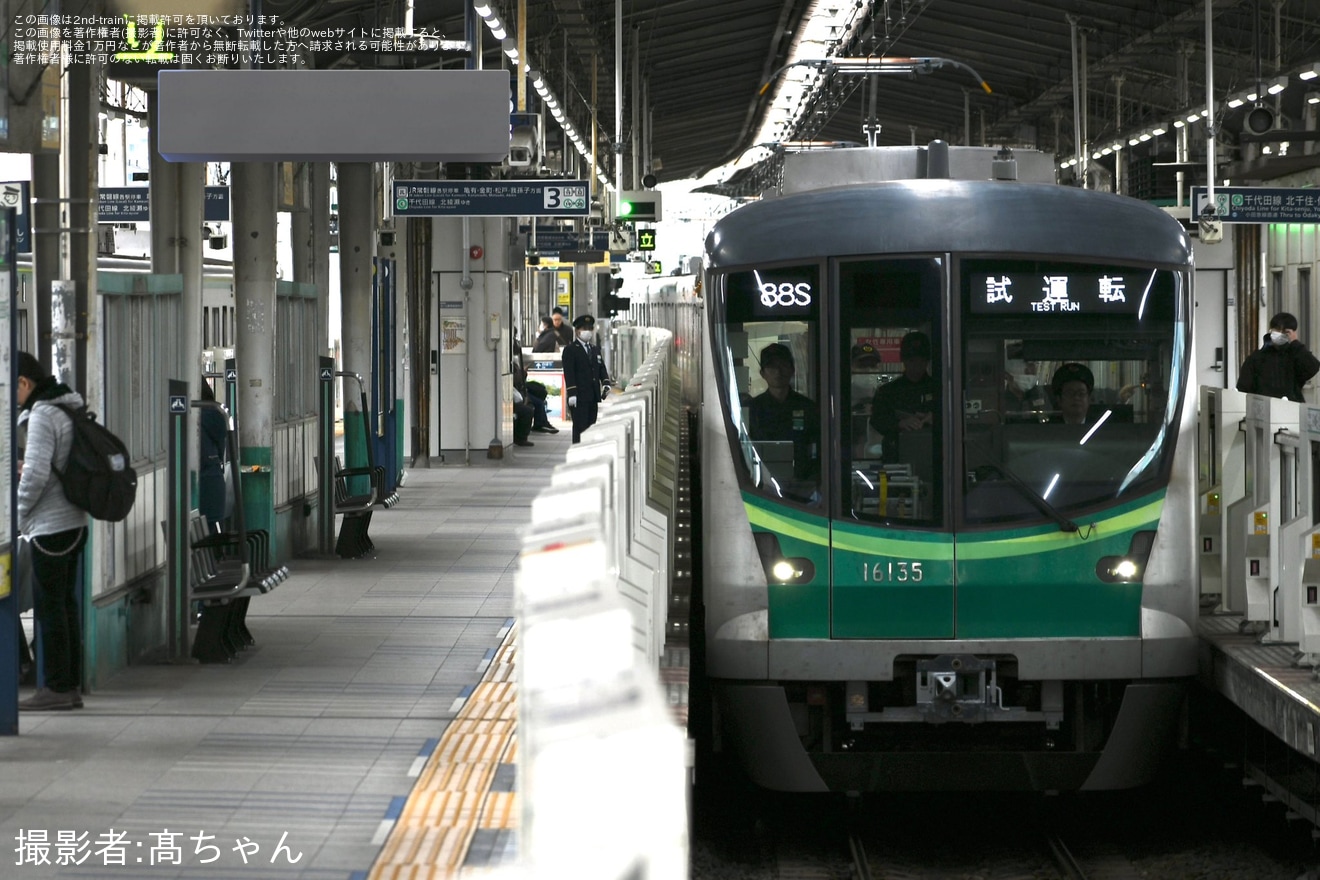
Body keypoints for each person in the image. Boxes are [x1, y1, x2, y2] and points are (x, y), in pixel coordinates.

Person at [15, 351, 88, 711]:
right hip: (73, 520)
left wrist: (16, 512)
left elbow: (37, 474)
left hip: (50, 526)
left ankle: (57, 687)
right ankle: (69, 684)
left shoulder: (43, 415)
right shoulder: (65, 407)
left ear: (24, 383)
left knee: (50, 610)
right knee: (65, 606)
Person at [747, 342, 819, 479]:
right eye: (772, 367)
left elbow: (817, 448)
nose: (778, 372)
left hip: (803, 483)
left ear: (792, 370)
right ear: (762, 373)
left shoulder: (808, 407)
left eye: (783, 365)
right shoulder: (753, 408)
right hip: (762, 483)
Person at [869, 331, 938, 462]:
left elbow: (955, 418)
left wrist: (936, 418)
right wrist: (899, 423)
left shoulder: (939, 389)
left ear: (927, 361)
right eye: (912, 360)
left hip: (933, 455)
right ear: (903, 360)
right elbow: (876, 420)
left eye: (921, 360)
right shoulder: (888, 391)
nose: (917, 365)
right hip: (896, 455)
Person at [1237, 311, 1320, 403]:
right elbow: (1243, 388)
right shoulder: (1257, 358)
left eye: (1285, 331)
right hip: (1264, 409)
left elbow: (1313, 367)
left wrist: (1295, 342)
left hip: (1291, 408)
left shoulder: (1294, 356)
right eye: (1277, 329)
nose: (1280, 333)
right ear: (1271, 330)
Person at [562, 314, 612, 443]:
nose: (587, 331)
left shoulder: (594, 349)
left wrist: (606, 382)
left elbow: (601, 368)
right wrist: (572, 393)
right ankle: (577, 453)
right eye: (584, 328)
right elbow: (569, 373)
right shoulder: (571, 350)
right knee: (580, 428)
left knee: (591, 427)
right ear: (577, 331)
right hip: (579, 397)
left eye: (590, 328)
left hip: (593, 396)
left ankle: (588, 453)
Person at [197, 378, 229, 532]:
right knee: (214, 529)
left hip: (200, 479)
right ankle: (217, 556)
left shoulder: (193, 415)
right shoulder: (217, 413)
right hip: (213, 479)